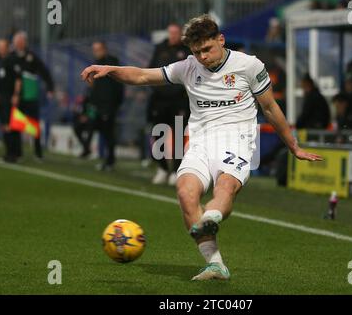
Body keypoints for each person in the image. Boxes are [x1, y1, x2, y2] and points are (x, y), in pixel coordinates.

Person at [81, 14, 322, 281]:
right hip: (201, 143)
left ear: (221, 40)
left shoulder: (249, 66)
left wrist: (293, 146)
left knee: (225, 187)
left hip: (238, 141)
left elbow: (270, 107)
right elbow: (141, 77)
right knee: (185, 192)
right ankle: (215, 263)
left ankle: (212, 217)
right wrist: (110, 69)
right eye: (197, 52)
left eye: (206, 49)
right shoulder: (188, 67)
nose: (203, 57)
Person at [147, 23, 191, 185]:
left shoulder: (186, 50)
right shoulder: (160, 48)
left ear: (180, 34)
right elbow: (150, 70)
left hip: (179, 100)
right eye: (170, 32)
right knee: (158, 133)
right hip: (159, 100)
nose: (173, 35)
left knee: (179, 135)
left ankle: (176, 170)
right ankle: (162, 168)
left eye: (176, 32)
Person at [10, 31, 54, 160]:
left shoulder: (32, 56)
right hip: (17, 97)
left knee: (34, 125)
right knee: (16, 124)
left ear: (25, 43)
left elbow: (45, 72)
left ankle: (38, 153)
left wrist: (50, 88)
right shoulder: (11, 57)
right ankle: (17, 153)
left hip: (31, 96)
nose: (20, 44)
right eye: (17, 42)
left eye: (22, 41)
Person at [88, 41, 124, 171]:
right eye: (94, 50)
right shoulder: (96, 64)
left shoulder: (111, 63)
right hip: (98, 105)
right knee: (98, 130)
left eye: (98, 49)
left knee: (108, 134)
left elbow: (117, 86)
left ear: (104, 49)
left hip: (108, 106)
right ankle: (95, 153)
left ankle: (110, 160)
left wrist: (114, 104)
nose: (96, 52)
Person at [0, 38, 22, 163]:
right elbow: (0, 84)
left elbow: (18, 79)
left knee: (10, 126)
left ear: (7, 47)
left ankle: (13, 154)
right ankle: (10, 153)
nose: (0, 49)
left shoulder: (11, 60)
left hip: (10, 98)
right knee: (5, 126)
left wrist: (16, 95)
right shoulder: (1, 62)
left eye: (2, 47)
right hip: (2, 98)